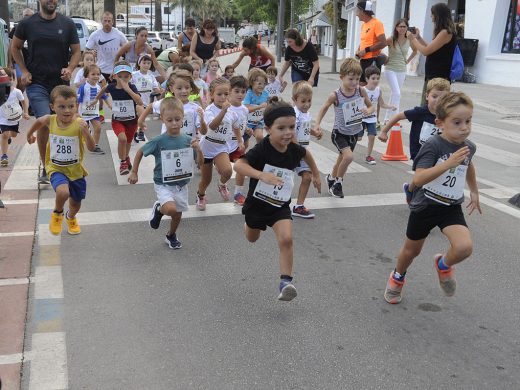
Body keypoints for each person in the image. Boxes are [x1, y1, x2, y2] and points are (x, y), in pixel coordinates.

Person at [383, 92, 481, 304]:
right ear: (440, 123)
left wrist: (474, 190)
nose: (464, 127)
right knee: (411, 251)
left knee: (464, 247)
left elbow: (468, 164)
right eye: (457, 122)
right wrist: (447, 163)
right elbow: (418, 178)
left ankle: (443, 265)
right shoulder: (433, 145)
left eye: (468, 121)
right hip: (426, 204)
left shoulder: (468, 146)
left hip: (451, 206)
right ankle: (397, 277)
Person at [233, 98, 321, 301]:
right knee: (252, 238)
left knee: (287, 239)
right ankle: (248, 224)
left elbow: (306, 155)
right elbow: (239, 166)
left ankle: (286, 282)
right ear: (268, 129)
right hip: (257, 205)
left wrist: (315, 174)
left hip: (279, 205)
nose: (288, 132)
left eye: (291, 127)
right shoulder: (262, 149)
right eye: (281, 128)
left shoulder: (293, 148)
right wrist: (262, 175)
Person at [11, 0, 81, 184]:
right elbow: (15, 47)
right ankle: (46, 166)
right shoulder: (27, 23)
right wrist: (24, 71)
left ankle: (63, 161)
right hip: (37, 83)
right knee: (44, 121)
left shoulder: (67, 24)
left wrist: (71, 68)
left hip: (60, 84)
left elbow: (76, 51)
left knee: (63, 121)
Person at [26, 86, 95, 235]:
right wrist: (29, 134)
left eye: (71, 106)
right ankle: (57, 214)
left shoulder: (80, 124)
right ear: (52, 107)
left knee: (76, 203)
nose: (67, 110)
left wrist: (87, 133)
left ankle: (70, 217)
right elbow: (39, 121)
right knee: (63, 192)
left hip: (76, 171)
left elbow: (91, 147)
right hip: (56, 167)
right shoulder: (50, 120)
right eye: (62, 107)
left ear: (76, 106)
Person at [128, 97, 196, 249]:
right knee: (171, 209)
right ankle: (159, 208)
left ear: (183, 118)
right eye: (169, 120)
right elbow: (140, 152)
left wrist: (197, 149)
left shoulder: (187, 140)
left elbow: (199, 161)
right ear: (162, 120)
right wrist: (134, 172)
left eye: (177, 119)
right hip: (163, 183)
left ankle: (171, 235)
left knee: (177, 215)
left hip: (181, 184)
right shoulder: (159, 140)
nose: (174, 123)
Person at [380, 78, 450, 203]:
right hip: (419, 151)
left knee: (429, 176)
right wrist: (384, 131)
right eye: (434, 96)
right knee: (423, 176)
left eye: (443, 98)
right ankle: (417, 195)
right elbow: (398, 116)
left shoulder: (446, 115)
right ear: (427, 96)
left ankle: (411, 189)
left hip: (437, 152)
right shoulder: (420, 112)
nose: (438, 100)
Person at [312, 58, 374, 198]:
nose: (354, 83)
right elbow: (324, 108)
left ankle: (331, 178)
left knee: (342, 159)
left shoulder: (360, 91)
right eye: (351, 79)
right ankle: (338, 184)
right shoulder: (336, 95)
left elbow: (371, 106)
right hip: (339, 133)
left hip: (354, 132)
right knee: (348, 157)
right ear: (342, 77)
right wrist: (317, 124)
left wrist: (368, 111)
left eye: (357, 79)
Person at [196, 78, 243, 210]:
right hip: (206, 147)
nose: (223, 97)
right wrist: (223, 111)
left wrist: (240, 140)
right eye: (219, 94)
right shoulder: (209, 110)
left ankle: (222, 184)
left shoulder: (232, 112)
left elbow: (236, 126)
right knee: (206, 179)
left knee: (227, 171)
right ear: (211, 94)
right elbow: (213, 126)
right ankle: (201, 195)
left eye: (226, 94)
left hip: (221, 146)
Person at [94, 61, 143, 175]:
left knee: (128, 142)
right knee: (122, 139)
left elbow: (139, 102)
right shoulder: (112, 87)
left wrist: (128, 90)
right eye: (120, 76)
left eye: (126, 76)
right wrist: (96, 99)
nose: (123, 79)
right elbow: (103, 89)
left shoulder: (132, 87)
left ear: (130, 76)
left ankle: (126, 158)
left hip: (132, 121)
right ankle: (123, 162)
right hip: (117, 120)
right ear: (115, 76)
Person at [408, 2, 457, 104]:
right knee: (428, 107)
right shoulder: (444, 32)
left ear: (438, 15)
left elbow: (426, 51)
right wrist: (418, 38)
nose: (431, 16)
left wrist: (412, 39)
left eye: (432, 14)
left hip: (438, 77)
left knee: (430, 108)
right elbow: (430, 48)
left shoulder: (445, 32)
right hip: (434, 76)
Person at [291, 81, 322, 219]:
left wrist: (314, 133)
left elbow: (304, 128)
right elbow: (291, 132)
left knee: (307, 176)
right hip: (290, 151)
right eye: (303, 101)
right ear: (294, 100)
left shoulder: (306, 114)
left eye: (309, 100)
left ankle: (298, 206)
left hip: (301, 151)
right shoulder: (294, 114)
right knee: (282, 178)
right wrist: (297, 148)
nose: (307, 104)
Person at [357, 66, 395, 165]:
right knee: (359, 138)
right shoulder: (362, 90)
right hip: (360, 118)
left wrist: (390, 106)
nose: (376, 80)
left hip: (372, 118)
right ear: (367, 79)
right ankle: (347, 149)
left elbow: (381, 104)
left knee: (372, 137)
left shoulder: (378, 90)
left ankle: (368, 156)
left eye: (378, 78)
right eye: (373, 78)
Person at [383, 19, 417, 123]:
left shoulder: (409, 40)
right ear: (396, 28)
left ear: (407, 28)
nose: (402, 28)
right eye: (400, 26)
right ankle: (395, 119)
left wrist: (407, 61)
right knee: (397, 93)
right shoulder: (391, 39)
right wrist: (384, 58)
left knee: (394, 93)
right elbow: (379, 47)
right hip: (390, 69)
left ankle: (387, 118)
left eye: (404, 27)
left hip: (402, 70)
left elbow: (415, 51)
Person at [76, 64, 110, 155]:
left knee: (98, 128)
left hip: (94, 113)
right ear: (87, 76)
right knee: (83, 131)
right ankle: (80, 147)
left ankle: (95, 146)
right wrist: (75, 112)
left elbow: (104, 96)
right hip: (83, 113)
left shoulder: (99, 87)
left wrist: (110, 106)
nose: (96, 76)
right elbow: (78, 101)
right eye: (93, 74)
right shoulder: (83, 87)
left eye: (98, 74)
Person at [85, 11, 127, 81]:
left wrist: (123, 54)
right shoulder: (95, 35)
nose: (107, 23)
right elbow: (86, 50)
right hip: (100, 70)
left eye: (109, 21)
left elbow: (127, 47)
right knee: (101, 91)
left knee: (114, 92)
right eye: (105, 21)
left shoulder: (119, 34)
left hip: (115, 70)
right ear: (101, 21)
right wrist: (91, 52)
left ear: (112, 22)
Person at [226, 75, 249, 205]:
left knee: (242, 167)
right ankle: (222, 184)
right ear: (229, 91)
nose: (240, 94)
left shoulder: (244, 109)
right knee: (224, 172)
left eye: (243, 91)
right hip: (223, 146)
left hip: (237, 145)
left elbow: (242, 124)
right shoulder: (225, 107)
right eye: (237, 91)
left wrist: (247, 130)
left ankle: (238, 193)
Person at [0, 68, 30, 167]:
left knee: (13, 135)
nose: (8, 82)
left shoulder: (17, 91)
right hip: (3, 118)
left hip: (14, 118)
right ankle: (4, 156)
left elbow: (23, 101)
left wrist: (25, 112)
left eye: (10, 79)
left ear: (13, 80)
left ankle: (9, 137)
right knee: (4, 134)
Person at [355, 1, 386, 85]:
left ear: (362, 11)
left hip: (373, 61)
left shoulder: (377, 23)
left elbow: (383, 43)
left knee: (370, 88)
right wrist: (358, 51)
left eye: (357, 11)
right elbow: (364, 41)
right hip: (364, 60)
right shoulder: (364, 25)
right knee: (361, 86)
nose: (356, 14)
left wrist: (366, 50)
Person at [7, 8, 34, 92]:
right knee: (20, 81)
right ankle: (19, 99)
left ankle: (21, 99)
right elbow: (11, 46)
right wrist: (10, 62)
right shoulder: (18, 28)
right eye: (26, 15)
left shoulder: (36, 28)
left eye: (30, 16)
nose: (28, 17)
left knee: (30, 82)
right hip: (20, 60)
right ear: (22, 16)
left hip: (32, 60)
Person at [244, 68, 269, 146]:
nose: (262, 86)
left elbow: (266, 108)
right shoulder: (248, 94)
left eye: (264, 83)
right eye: (259, 83)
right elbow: (246, 109)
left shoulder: (265, 94)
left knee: (260, 137)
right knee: (245, 145)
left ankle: (259, 154)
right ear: (252, 82)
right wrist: (259, 107)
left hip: (258, 122)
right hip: (247, 123)